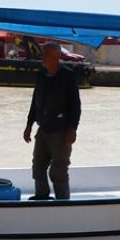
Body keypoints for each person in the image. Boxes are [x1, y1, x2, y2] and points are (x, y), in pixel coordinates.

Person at [23, 41, 81, 200]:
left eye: (45, 54)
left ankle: (63, 201)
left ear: (56, 56)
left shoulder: (68, 76)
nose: (42, 57)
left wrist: (72, 129)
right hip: (43, 130)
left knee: (58, 171)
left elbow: (76, 105)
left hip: (61, 132)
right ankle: (41, 197)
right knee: (38, 167)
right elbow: (35, 101)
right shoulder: (41, 74)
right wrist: (29, 125)